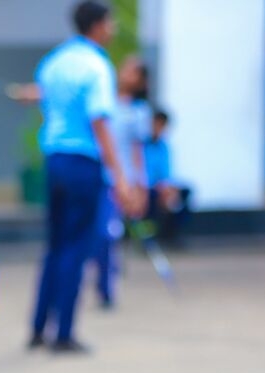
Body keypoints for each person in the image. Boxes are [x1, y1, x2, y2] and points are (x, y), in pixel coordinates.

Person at [24, 1, 140, 354]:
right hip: (83, 165)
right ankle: (64, 335)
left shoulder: (54, 61)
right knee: (76, 248)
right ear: (99, 26)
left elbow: (45, 98)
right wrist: (119, 176)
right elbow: (99, 121)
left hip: (55, 160)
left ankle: (39, 327)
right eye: (110, 23)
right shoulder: (97, 66)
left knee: (56, 244)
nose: (113, 29)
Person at [93, 55, 151, 308]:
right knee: (96, 233)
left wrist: (139, 187)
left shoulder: (138, 112)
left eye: (133, 71)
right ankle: (102, 278)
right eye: (125, 67)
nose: (126, 73)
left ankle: (106, 287)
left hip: (119, 181)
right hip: (94, 176)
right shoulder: (103, 100)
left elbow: (138, 153)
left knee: (109, 233)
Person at [144, 109, 191, 248]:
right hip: (147, 187)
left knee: (184, 193)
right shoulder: (140, 145)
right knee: (154, 197)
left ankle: (171, 235)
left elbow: (167, 173)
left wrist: (169, 187)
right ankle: (149, 236)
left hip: (161, 186)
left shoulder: (164, 147)